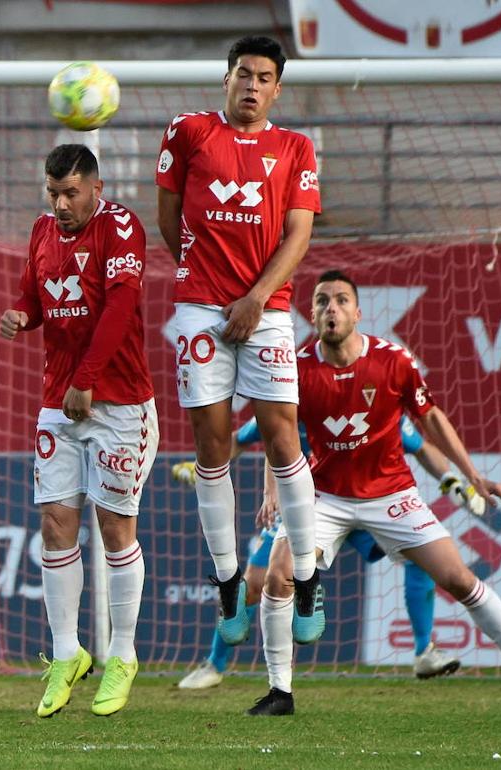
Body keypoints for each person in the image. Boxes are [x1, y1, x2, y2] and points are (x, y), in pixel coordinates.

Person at [245, 269, 501, 716]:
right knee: (277, 575)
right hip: (324, 495)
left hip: (391, 494)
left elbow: (431, 418)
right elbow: (276, 435)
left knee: (460, 580)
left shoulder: (393, 361)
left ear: (358, 313)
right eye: (322, 301)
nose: (331, 309)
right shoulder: (297, 369)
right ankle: (279, 692)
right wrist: (273, 492)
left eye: (342, 300)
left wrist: (472, 474)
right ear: (313, 313)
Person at [156, 35, 324, 647]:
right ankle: (228, 581)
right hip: (201, 312)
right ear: (225, 79)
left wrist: (254, 297)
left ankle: (306, 573)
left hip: (269, 310)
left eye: (264, 78)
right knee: (212, 443)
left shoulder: (295, 147)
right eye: (243, 74)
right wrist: (201, 283)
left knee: (283, 433)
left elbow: (298, 237)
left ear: (277, 89)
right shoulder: (188, 132)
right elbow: (168, 217)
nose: (251, 85)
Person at [0, 144, 158, 717]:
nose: (61, 204)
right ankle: (68, 653)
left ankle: (122, 654)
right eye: (53, 193)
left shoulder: (121, 228)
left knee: (115, 528)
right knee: (55, 522)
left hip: (117, 405)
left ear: (96, 187)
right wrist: (22, 314)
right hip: (57, 402)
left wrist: (86, 378)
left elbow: (120, 310)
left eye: (70, 193)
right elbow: (35, 292)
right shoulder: (42, 231)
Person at [175, 416, 488, 688]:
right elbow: (249, 442)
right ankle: (214, 665)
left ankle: (424, 651)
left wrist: (450, 479)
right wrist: (207, 469)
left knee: (418, 556)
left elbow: (421, 446)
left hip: (367, 504)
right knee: (255, 584)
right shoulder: (281, 407)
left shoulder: (367, 409)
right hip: (310, 507)